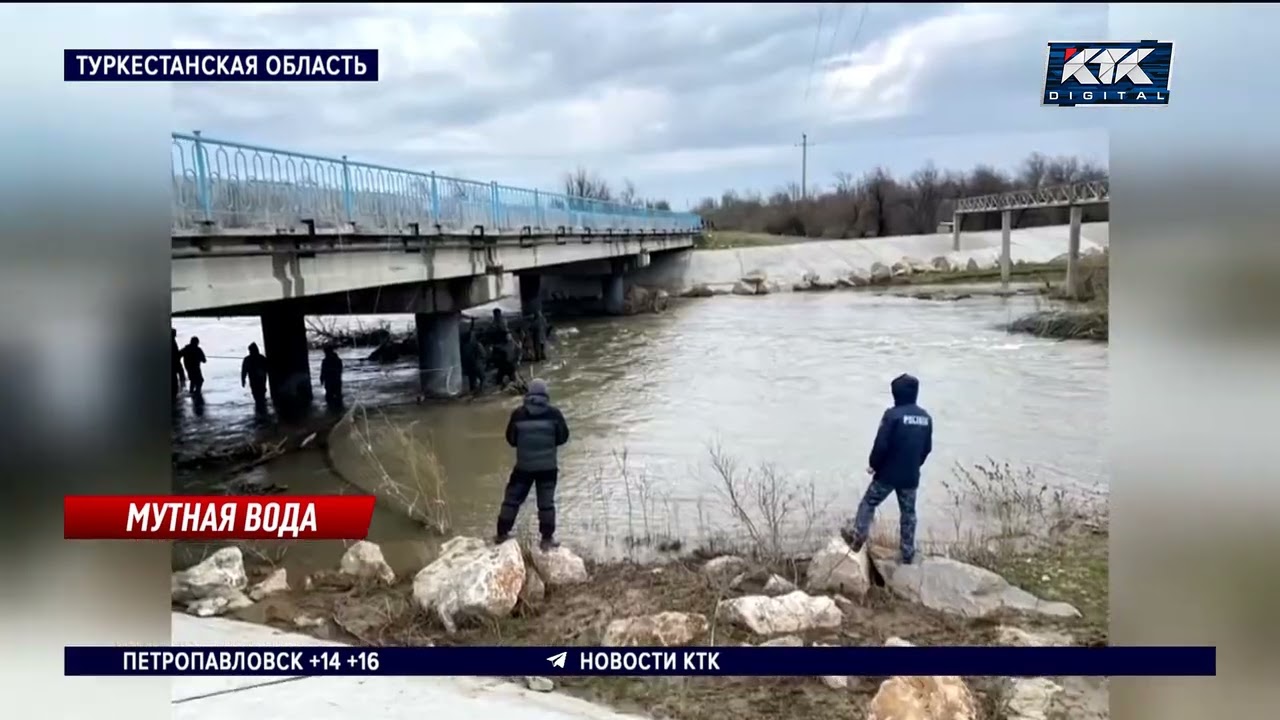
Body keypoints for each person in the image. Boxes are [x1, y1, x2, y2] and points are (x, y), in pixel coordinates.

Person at [841, 373, 933, 564]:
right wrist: (914, 465)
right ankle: (908, 552)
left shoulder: (892, 415)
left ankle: (858, 536)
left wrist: (874, 465)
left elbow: (881, 445)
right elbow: (926, 449)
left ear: (896, 394)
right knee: (908, 513)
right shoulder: (926, 418)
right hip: (910, 475)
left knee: (869, 502)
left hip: (888, 474)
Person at [494, 378, 570, 550]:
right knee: (546, 503)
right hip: (548, 468)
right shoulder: (554, 414)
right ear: (546, 394)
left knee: (512, 500)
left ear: (528, 394)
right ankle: (547, 539)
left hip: (524, 467)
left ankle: (502, 534)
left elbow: (511, 440)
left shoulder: (518, 414)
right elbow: (563, 437)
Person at [461, 328, 486, 395]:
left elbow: (464, 357)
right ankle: (481, 392)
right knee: (483, 379)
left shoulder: (465, 346)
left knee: (472, 381)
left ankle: (472, 392)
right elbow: (483, 354)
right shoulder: (477, 344)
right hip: (478, 364)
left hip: (469, 366)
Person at [171, 328, 186, 398]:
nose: (175, 334)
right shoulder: (172, 342)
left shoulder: (172, 341)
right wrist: (183, 351)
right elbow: (175, 354)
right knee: (179, 375)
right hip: (174, 362)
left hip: (175, 362)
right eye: (174, 333)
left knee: (180, 374)